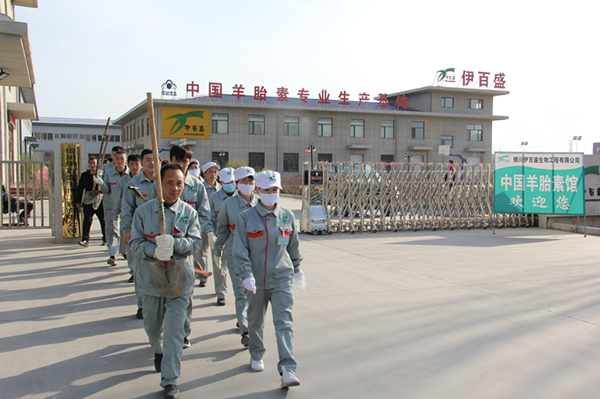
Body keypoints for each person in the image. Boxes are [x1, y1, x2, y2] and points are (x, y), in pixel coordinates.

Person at [129, 163, 201, 399]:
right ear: (159, 185)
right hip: (151, 282)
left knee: (174, 332)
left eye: (179, 183)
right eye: (169, 182)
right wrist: (153, 250)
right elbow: (134, 244)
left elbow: (196, 244)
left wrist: (176, 244)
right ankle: (158, 350)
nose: (175, 187)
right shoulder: (143, 212)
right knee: (153, 328)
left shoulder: (189, 213)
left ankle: (170, 380)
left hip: (179, 283)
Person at [232, 170, 305, 388]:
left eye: (276, 190)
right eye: (268, 190)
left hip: (282, 278)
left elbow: (293, 246)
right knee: (255, 322)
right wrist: (245, 274)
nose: (272, 194)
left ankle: (287, 369)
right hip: (255, 280)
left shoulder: (286, 216)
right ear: (258, 191)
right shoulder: (245, 218)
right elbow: (240, 250)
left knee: (284, 322)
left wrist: (298, 269)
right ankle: (256, 353)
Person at [148, 145, 210, 349]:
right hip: (162, 249)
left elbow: (203, 213)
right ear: (171, 159)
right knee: (163, 291)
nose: (184, 165)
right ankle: (163, 331)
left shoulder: (197, 185)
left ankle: (183, 331)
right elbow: (149, 213)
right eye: (180, 161)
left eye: (186, 162)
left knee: (185, 292)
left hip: (185, 247)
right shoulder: (158, 185)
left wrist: (195, 231)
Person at [214, 166, 258, 347]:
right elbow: (222, 230)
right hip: (235, 256)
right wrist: (217, 250)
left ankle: (244, 319)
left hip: (257, 257)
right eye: (243, 181)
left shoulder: (262, 204)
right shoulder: (228, 205)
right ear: (237, 183)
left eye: (250, 181)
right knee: (241, 293)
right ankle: (246, 330)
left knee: (254, 294)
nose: (247, 185)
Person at [121, 149, 156, 319]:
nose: (152, 163)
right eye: (148, 160)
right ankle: (142, 304)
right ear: (142, 162)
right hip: (140, 233)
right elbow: (127, 208)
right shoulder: (133, 183)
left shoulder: (165, 181)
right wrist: (126, 230)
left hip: (160, 234)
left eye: (154, 159)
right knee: (140, 270)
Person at [94, 149, 129, 266]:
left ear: (126, 160)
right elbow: (106, 190)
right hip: (111, 207)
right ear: (113, 159)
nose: (119, 161)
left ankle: (124, 251)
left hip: (126, 208)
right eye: (117, 158)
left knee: (125, 230)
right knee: (113, 231)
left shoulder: (130, 175)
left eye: (122, 158)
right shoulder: (108, 173)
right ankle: (113, 255)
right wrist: (101, 183)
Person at [115, 154, 142, 280]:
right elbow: (119, 199)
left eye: (137, 164)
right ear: (128, 165)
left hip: (145, 220)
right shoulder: (124, 181)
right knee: (131, 247)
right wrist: (116, 212)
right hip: (131, 218)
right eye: (132, 164)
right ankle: (133, 271)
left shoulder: (152, 180)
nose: (135, 167)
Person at [197, 161, 222, 294]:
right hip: (202, 224)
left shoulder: (221, 189)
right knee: (201, 251)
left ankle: (219, 285)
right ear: (204, 173)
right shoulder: (199, 188)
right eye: (210, 172)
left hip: (216, 226)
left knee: (216, 253)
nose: (213, 175)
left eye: (215, 172)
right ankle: (202, 275)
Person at [74, 156, 106, 246]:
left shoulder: (101, 174)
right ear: (88, 164)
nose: (93, 165)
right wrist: (78, 201)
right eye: (91, 163)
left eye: (94, 163)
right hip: (88, 200)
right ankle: (85, 239)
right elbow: (80, 189)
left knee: (103, 220)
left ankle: (105, 238)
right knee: (87, 220)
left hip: (99, 199)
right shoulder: (85, 175)